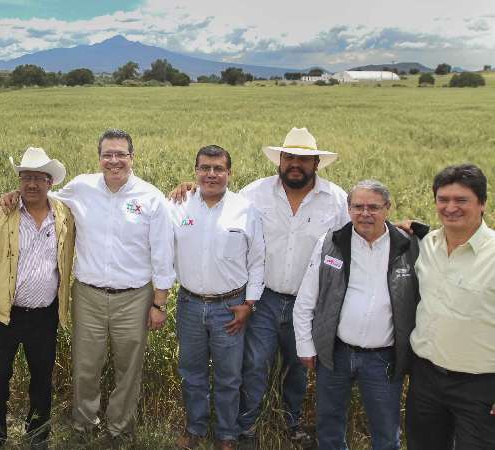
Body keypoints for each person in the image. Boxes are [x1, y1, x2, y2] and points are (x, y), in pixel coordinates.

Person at [171, 128, 348, 444]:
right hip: (265, 299)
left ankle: (289, 422)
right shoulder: (255, 194)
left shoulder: (336, 200)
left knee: (297, 368)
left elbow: (354, 238)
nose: (296, 164)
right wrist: (187, 188)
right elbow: (218, 201)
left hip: (308, 303)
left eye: (304, 159)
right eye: (289, 156)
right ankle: (245, 427)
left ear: (317, 163)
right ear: (280, 160)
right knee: (253, 365)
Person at [0, 128, 175, 441]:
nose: (114, 160)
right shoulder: (81, 187)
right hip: (88, 295)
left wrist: (159, 303)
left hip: (135, 297)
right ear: (99, 158)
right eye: (108, 154)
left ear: (132, 158)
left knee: (128, 367)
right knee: (85, 365)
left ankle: (120, 427)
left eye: (121, 154)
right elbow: (44, 198)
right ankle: (84, 424)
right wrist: (14, 195)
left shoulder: (151, 198)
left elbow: (163, 254)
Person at [294, 180, 420, 450]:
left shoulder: (407, 246)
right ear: (348, 209)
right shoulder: (332, 242)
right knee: (329, 424)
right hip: (336, 353)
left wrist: (421, 227)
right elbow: (307, 297)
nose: (365, 213)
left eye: (373, 207)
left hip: (383, 358)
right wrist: (305, 346)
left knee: (386, 430)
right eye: (358, 206)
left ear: (387, 208)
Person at [0, 147, 75, 449]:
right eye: (25, 177)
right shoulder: (3, 213)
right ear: (18, 181)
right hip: (5, 314)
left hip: (45, 315)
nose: (31, 184)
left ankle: (38, 434)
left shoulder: (65, 215)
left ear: (50, 182)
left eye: (39, 178)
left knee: (42, 380)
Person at [168, 145, 265, 450]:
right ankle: (195, 428)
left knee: (229, 376)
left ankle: (227, 434)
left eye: (218, 168)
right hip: (189, 304)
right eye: (205, 168)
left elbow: (258, 260)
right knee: (191, 372)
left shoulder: (245, 209)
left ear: (229, 173)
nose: (211, 174)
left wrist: (249, 304)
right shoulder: (177, 205)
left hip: (230, 307)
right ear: (195, 171)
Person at [406, 164, 495, 449]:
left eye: (461, 200)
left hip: (480, 385)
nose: (450, 207)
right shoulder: (426, 244)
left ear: (482, 203)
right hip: (426, 379)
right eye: (443, 200)